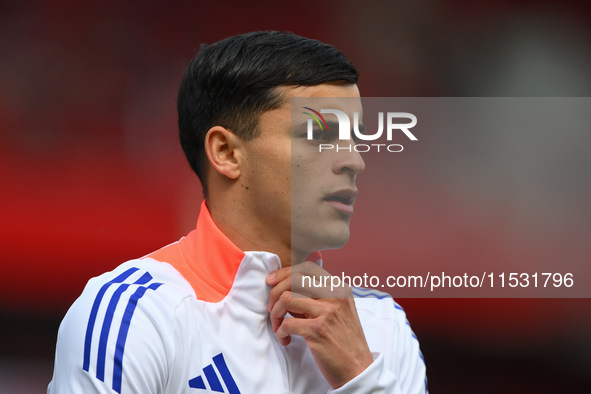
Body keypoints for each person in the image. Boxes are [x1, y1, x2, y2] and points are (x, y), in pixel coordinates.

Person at [48, 31, 427, 393]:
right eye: (320, 135)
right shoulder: (133, 314)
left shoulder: (382, 325)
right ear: (226, 153)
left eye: (354, 139)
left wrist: (363, 378)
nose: (354, 161)